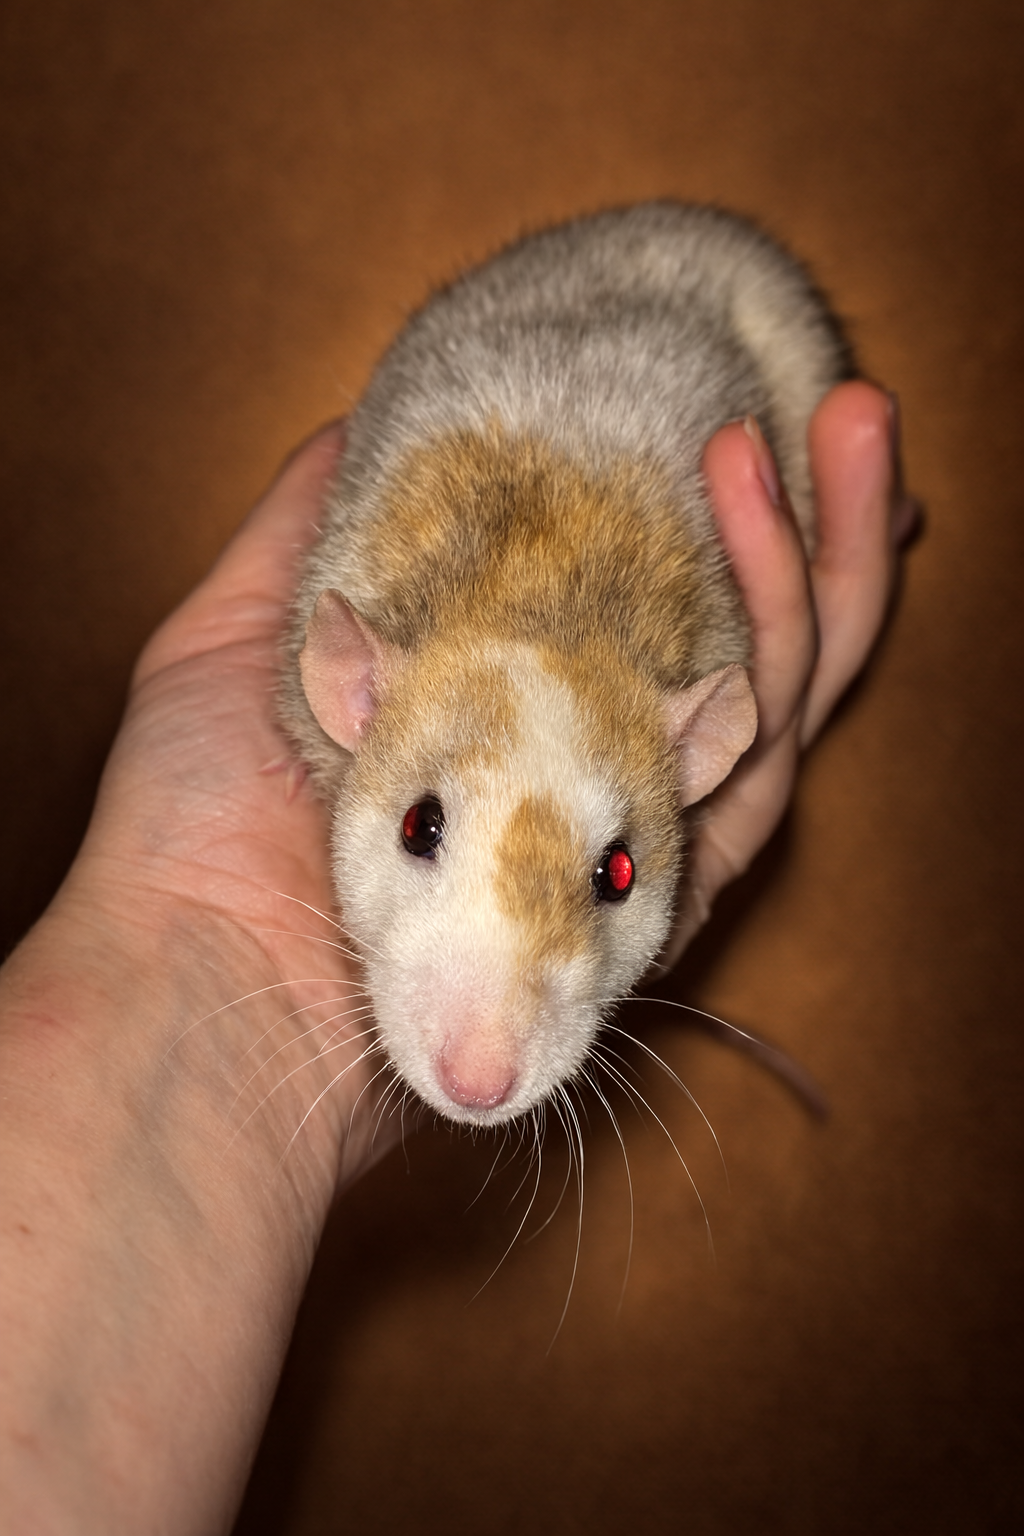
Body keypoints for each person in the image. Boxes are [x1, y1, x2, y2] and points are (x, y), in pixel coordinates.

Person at [0, 383, 916, 1532]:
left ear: (699, 748)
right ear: (353, 690)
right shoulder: (371, 626)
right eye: (425, 828)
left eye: (610, 875)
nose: (481, 1066)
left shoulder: (650, 675)